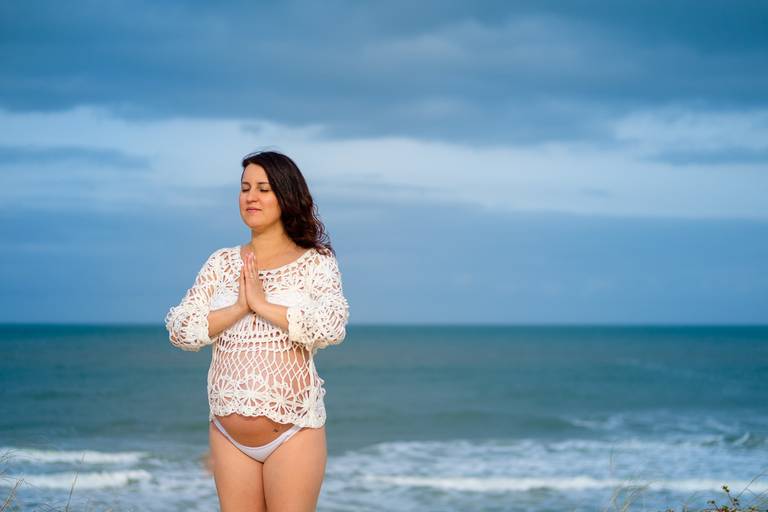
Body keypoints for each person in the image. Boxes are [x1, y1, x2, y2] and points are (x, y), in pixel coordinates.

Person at [164, 150, 350, 512]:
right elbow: (181, 329)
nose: (251, 197)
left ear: (286, 195)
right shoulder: (220, 263)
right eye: (245, 187)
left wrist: (263, 304)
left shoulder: (315, 262)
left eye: (263, 188)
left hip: (293, 431)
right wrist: (237, 307)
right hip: (227, 434)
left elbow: (330, 326)